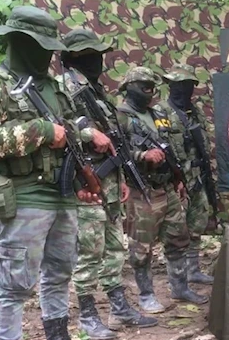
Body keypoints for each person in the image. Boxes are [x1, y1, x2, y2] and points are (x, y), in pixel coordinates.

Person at [0, 6, 110, 340]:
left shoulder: (54, 87)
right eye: (41, 45)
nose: (48, 53)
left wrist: (81, 180)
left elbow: (70, 138)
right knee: (14, 285)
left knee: (60, 274)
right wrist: (41, 131)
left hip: (62, 198)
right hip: (24, 198)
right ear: (20, 41)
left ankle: (58, 334)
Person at [58, 29, 158, 338]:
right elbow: (57, 124)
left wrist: (122, 177)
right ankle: (88, 316)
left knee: (115, 247)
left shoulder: (96, 90)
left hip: (109, 182)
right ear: (74, 56)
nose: (99, 60)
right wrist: (88, 134)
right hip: (85, 183)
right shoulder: (65, 87)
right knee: (90, 251)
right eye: (92, 53)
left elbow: (113, 138)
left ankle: (119, 308)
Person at [117, 66, 208, 311]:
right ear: (129, 87)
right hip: (141, 189)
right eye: (143, 85)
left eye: (151, 85)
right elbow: (116, 152)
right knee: (141, 248)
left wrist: (177, 178)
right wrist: (142, 155)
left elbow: (171, 148)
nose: (149, 90)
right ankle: (146, 295)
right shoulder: (121, 116)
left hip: (166, 186)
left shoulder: (157, 114)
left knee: (178, 238)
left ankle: (180, 288)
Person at [161, 64, 214, 284]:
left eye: (188, 86)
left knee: (197, 223)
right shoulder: (162, 112)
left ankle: (193, 270)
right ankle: (177, 277)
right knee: (176, 229)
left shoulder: (195, 112)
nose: (184, 91)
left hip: (197, 176)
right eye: (179, 86)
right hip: (176, 179)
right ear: (171, 86)